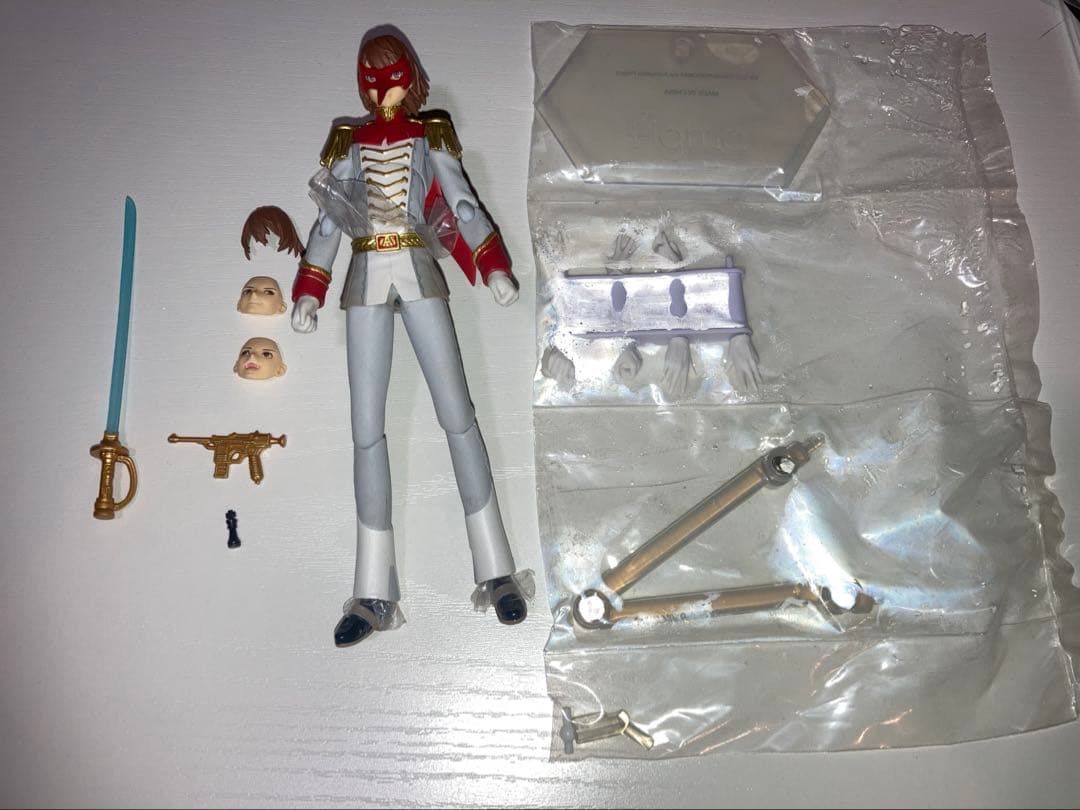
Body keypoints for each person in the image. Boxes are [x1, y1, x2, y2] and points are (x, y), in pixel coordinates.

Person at [290, 30, 527, 647]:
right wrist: (310, 288)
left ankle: (497, 570)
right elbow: (329, 220)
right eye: (370, 79)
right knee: (365, 430)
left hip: (420, 271)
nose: (380, 90)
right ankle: (372, 590)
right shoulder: (347, 141)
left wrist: (493, 266)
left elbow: (462, 204)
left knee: (458, 415)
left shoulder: (431, 133)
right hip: (366, 274)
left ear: (410, 76)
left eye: (390, 76)